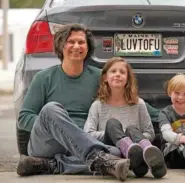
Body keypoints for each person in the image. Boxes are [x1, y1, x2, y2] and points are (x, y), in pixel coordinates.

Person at [16, 24, 131, 181]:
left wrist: (170, 112)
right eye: (71, 42)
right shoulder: (43, 78)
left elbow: (129, 101)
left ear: (87, 48)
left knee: (117, 153)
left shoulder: (99, 77)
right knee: (51, 109)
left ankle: (50, 165)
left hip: (82, 142)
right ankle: (96, 158)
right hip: (49, 142)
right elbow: (24, 117)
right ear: (61, 45)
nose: (76, 46)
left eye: (81, 42)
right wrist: (57, 127)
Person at [84, 57, 167, 178]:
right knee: (112, 124)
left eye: (122, 72)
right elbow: (88, 133)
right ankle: (130, 150)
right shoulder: (98, 105)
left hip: (136, 151)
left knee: (132, 129)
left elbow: (150, 132)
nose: (118, 74)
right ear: (105, 78)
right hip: (113, 151)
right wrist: (117, 134)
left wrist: (134, 138)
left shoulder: (139, 104)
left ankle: (150, 160)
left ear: (128, 79)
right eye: (113, 71)